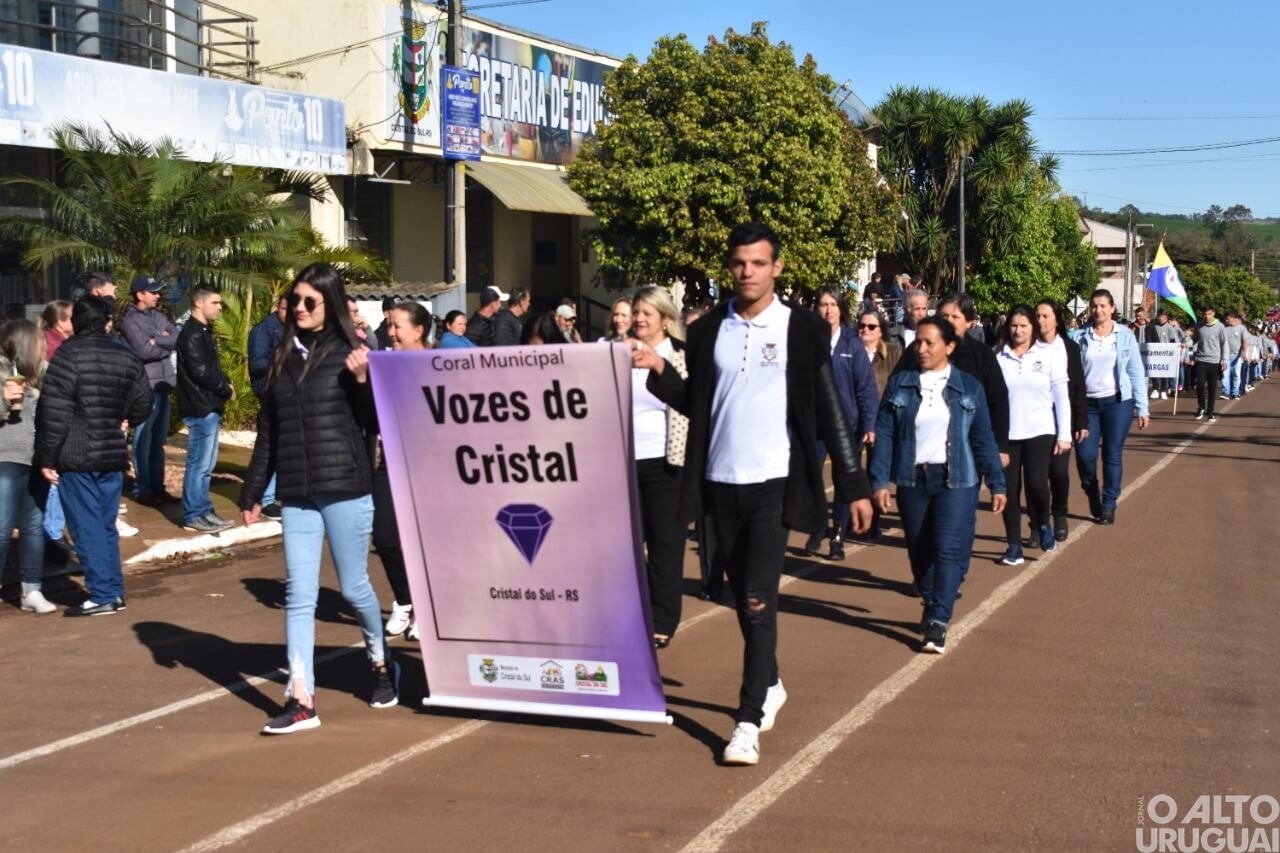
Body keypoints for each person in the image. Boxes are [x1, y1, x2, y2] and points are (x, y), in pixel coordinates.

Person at [634, 222, 872, 766]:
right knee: (740, 596)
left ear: (777, 268)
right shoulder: (708, 329)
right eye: (740, 263)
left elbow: (828, 408)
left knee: (760, 599)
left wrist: (854, 483)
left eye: (759, 263)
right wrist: (659, 370)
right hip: (719, 483)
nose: (748, 272)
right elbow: (698, 402)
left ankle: (746, 720)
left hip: (774, 480)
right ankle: (771, 680)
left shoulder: (802, 328)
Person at [239, 262, 397, 735]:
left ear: (330, 303)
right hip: (297, 492)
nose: (300, 308)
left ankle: (380, 662)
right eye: (296, 300)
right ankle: (301, 698)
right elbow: (270, 431)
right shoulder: (281, 358)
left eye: (311, 301)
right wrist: (252, 490)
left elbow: (376, 423)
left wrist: (366, 382)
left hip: (345, 484)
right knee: (299, 593)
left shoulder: (353, 352)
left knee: (354, 588)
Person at [870, 316, 1007, 654]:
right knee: (919, 552)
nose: (922, 348)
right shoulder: (900, 384)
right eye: (918, 341)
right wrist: (879, 480)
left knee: (947, 548)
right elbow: (884, 433)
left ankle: (939, 621)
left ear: (950, 346)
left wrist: (997, 482)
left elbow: (982, 437)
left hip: (955, 479)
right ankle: (932, 601)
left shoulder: (968, 387)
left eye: (930, 342)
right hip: (912, 478)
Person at [34, 296, 151, 616]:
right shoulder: (125, 355)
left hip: (76, 454)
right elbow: (145, 402)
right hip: (111, 453)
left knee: (87, 526)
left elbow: (53, 413)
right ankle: (112, 590)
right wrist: (126, 417)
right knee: (104, 525)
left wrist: (46, 457)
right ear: (106, 322)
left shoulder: (67, 355)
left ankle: (103, 593)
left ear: (77, 322)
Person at [629, 286, 686, 649]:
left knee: (664, 543)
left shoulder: (680, 355)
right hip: (622, 462)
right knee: (627, 546)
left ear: (665, 319)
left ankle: (662, 619)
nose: (639, 319)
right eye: (636, 312)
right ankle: (631, 614)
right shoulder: (617, 351)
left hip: (667, 462)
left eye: (646, 313)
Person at [994, 306, 1072, 565]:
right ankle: (1014, 545)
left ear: (1033, 328)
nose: (1018, 331)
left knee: (1037, 483)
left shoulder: (1048, 354)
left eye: (1023, 326)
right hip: (1007, 434)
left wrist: (1064, 433)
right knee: (1009, 490)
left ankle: (1043, 523)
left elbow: (1061, 395)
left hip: (1041, 430)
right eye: (1014, 326)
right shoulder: (999, 357)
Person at [896, 292, 1011, 469]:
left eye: (955, 317)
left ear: (969, 322)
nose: (948, 321)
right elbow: (896, 387)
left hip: (968, 447)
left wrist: (1001, 446)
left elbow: (998, 399)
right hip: (923, 448)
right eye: (944, 316)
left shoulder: (982, 355)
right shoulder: (918, 350)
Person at [806, 285, 877, 560]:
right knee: (811, 478)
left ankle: (838, 536)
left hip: (846, 425)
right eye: (823, 304)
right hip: (814, 424)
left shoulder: (852, 344)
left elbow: (866, 388)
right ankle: (817, 526)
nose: (829, 310)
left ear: (841, 309)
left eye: (833, 305)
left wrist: (868, 424)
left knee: (843, 480)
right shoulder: (808, 341)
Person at [375, 301, 432, 640]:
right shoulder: (384, 365)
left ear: (418, 330)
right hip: (392, 461)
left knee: (426, 543)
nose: (391, 332)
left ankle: (427, 608)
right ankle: (405, 599)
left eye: (397, 326)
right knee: (384, 536)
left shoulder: (440, 364)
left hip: (430, 467)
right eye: (389, 326)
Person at [1075, 289, 1150, 525]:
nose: (1098, 310)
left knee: (1112, 453)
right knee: (1085, 456)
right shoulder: (1080, 336)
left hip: (1118, 403)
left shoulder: (1125, 335)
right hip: (1087, 406)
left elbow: (1135, 371)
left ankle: (1108, 503)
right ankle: (1092, 492)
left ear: (1112, 308)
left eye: (1103, 306)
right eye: (1094, 306)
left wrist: (1143, 407)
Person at [0, 321, 54, 613]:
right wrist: (4, 400)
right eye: (38, 342)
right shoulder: (2, 374)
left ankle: (32, 590)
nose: (42, 346)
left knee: (33, 526)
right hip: (4, 458)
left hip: (36, 459)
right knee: (2, 527)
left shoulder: (43, 375)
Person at [176, 285, 235, 533]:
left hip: (209, 405)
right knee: (198, 465)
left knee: (206, 467)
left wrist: (225, 383)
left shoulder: (203, 332)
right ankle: (193, 514)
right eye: (215, 303)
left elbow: (211, 368)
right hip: (200, 406)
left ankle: (204, 510)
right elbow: (201, 372)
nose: (220, 307)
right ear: (199, 303)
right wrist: (225, 388)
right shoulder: (192, 334)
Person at [121, 275, 180, 507]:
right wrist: (163, 343)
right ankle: (142, 488)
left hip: (164, 385)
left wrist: (157, 341)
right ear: (140, 295)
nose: (157, 295)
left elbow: (177, 338)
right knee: (143, 438)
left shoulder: (158, 315)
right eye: (153, 292)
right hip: (146, 387)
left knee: (158, 441)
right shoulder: (130, 321)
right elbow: (144, 351)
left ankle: (158, 487)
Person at [1035, 300, 1088, 542]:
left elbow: (1078, 387)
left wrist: (1081, 421)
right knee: (1036, 477)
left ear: (1057, 319)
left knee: (1058, 471)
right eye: (1037, 315)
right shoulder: (1028, 347)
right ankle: (1038, 522)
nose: (1041, 320)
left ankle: (1059, 514)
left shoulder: (1069, 348)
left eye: (1046, 316)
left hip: (1061, 419)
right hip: (1035, 419)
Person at [248, 295, 289, 520]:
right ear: (277, 308)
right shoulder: (263, 330)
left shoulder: (292, 330)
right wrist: (282, 360)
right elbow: (257, 364)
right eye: (284, 309)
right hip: (269, 391)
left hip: (286, 393)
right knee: (269, 446)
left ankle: (274, 494)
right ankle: (266, 499)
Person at [1191, 307, 1227, 421]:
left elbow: (1224, 343)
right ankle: (1201, 406)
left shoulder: (1220, 326)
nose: (1207, 316)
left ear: (1213, 314)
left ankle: (1210, 412)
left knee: (1212, 388)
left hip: (1214, 361)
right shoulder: (1199, 325)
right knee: (1200, 386)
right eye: (1205, 314)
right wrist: (1185, 345)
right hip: (1201, 359)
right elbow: (1194, 340)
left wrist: (1224, 359)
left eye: (1209, 313)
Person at [1222, 311, 1248, 400]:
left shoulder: (1241, 328)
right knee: (1225, 374)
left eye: (1228, 319)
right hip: (1226, 356)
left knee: (1236, 375)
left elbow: (1245, 341)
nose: (1226, 320)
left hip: (1237, 355)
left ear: (1233, 318)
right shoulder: (1224, 329)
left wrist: (1244, 352)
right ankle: (1226, 392)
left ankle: (1235, 393)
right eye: (1225, 319)